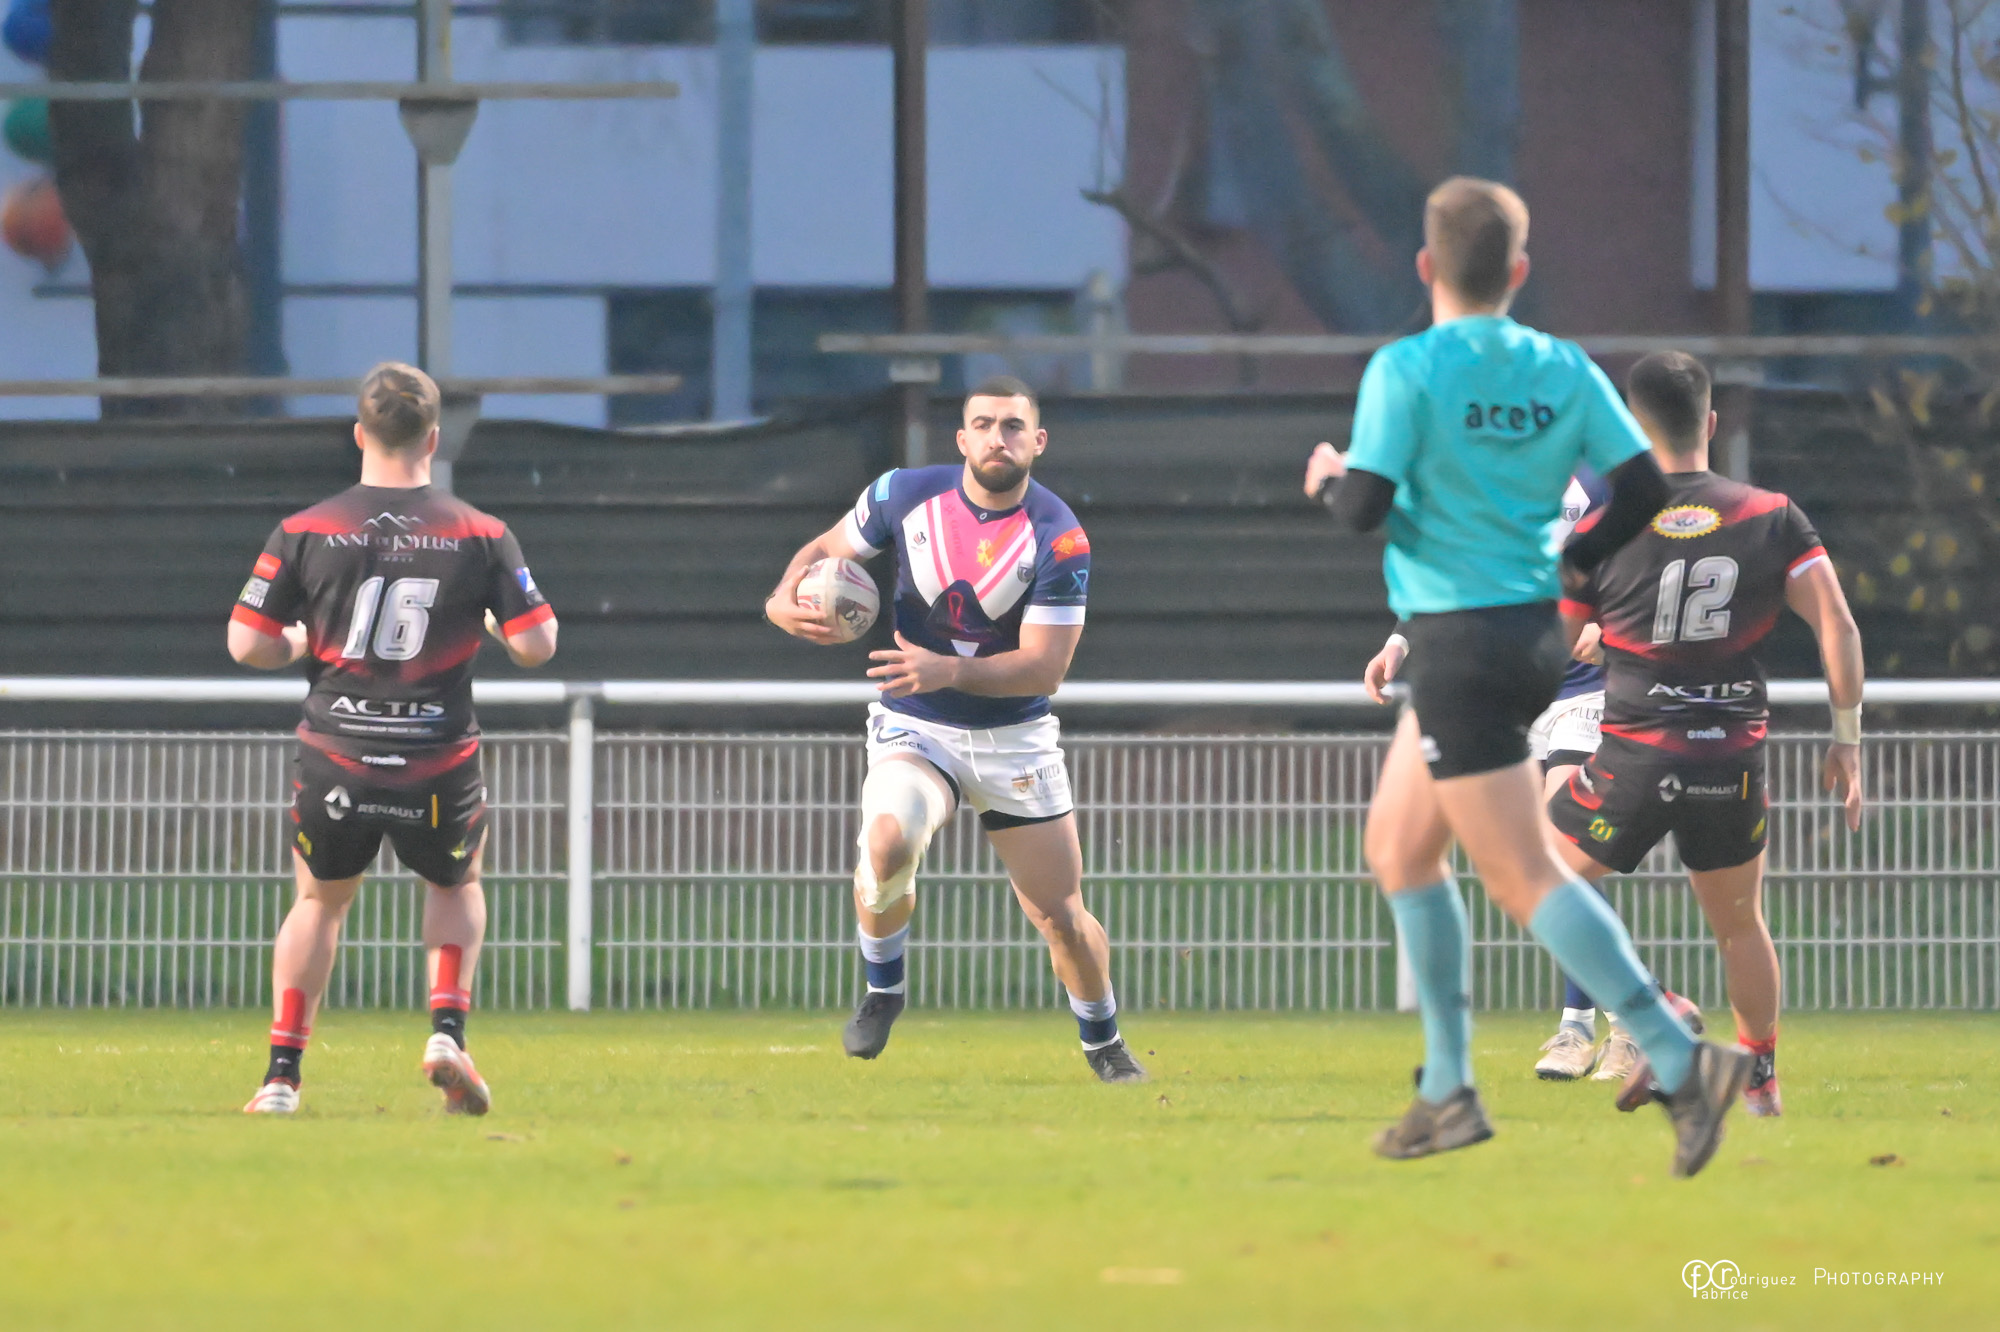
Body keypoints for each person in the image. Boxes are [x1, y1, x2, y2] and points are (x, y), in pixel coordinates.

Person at [1304, 177, 1750, 1179]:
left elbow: (1362, 508)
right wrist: (1575, 564)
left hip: (1461, 643)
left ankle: (1681, 1060)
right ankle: (1445, 1090)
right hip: (1519, 636)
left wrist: (1328, 475)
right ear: (1516, 270)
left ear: (1425, 267)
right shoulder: (1560, 366)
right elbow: (1642, 486)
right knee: (1399, 851)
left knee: (1522, 875)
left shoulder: (1405, 367)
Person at [764, 375, 1145, 1083]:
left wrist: (948, 670)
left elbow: (1045, 668)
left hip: (1015, 739)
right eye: (984, 425)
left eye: (1013, 426)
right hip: (917, 725)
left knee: (1061, 916)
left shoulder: (1059, 537)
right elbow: (821, 551)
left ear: (1038, 441)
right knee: (888, 843)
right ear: (962, 439)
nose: (998, 438)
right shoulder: (901, 495)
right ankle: (883, 989)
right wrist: (780, 600)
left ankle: (1104, 1042)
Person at [230, 363, 559, 1115]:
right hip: (436, 756)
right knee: (455, 883)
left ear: (359, 434)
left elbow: (246, 643)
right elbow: (537, 643)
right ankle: (447, 1032)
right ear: (434, 439)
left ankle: (281, 1077)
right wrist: (491, 624)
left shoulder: (304, 529)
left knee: (318, 902)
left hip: (337, 752)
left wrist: (297, 642)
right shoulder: (481, 533)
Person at [1546, 351, 1865, 1118]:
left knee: (1535, 872)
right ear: (1712, 422)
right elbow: (1838, 625)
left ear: (1632, 429)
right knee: (1739, 924)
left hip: (1638, 751)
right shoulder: (1772, 514)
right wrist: (1846, 738)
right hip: (1732, 753)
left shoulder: (1602, 527)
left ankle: (1659, 1007)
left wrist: (1599, 636)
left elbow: (1562, 640)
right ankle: (1760, 1078)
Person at [1360, 473, 1706, 1083]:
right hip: (1511, 689)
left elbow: (1655, 570)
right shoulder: (1491, 474)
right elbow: (1458, 571)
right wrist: (1400, 641)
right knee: (1523, 863)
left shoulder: (1602, 481)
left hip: (1585, 692)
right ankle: (1626, 1017)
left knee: (1555, 849)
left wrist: (1611, 627)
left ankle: (1600, 1026)